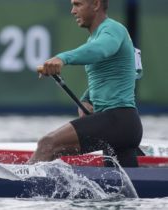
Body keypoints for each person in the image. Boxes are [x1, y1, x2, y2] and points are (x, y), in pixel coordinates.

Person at [27, 0, 143, 167]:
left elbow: (101, 49)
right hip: (122, 125)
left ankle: (16, 184)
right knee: (123, 189)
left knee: (47, 144)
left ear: (96, 4)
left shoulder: (112, 30)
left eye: (78, 4)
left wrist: (62, 58)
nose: (73, 11)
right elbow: (116, 75)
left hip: (118, 120)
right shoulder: (96, 38)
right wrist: (86, 99)